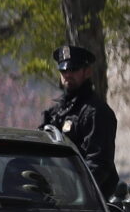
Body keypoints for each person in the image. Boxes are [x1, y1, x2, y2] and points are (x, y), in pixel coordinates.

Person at [41, 44, 119, 197]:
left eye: (74, 70)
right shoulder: (56, 112)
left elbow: (98, 164)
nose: (68, 75)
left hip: (84, 200)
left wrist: (72, 192)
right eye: (63, 70)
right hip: (54, 195)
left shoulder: (97, 112)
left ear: (87, 71)